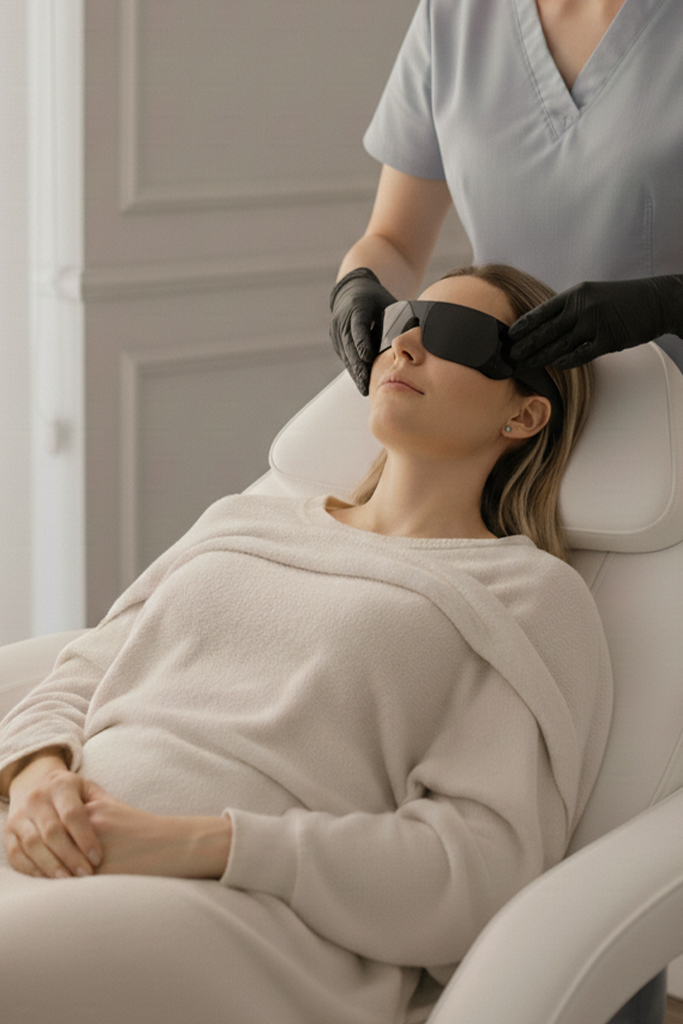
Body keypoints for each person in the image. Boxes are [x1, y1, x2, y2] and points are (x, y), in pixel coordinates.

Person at [0, 265, 612, 1024]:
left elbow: (478, 868)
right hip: (43, 840)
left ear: (522, 416)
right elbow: (86, 669)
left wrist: (195, 844)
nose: (407, 344)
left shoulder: (524, 596)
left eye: (453, 334)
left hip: (238, 915)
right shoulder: (242, 520)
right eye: (399, 322)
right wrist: (33, 784)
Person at [330, 0, 683, 397]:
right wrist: (356, 285)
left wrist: (669, 305)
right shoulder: (454, 14)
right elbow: (394, 242)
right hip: (507, 414)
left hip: (668, 414)